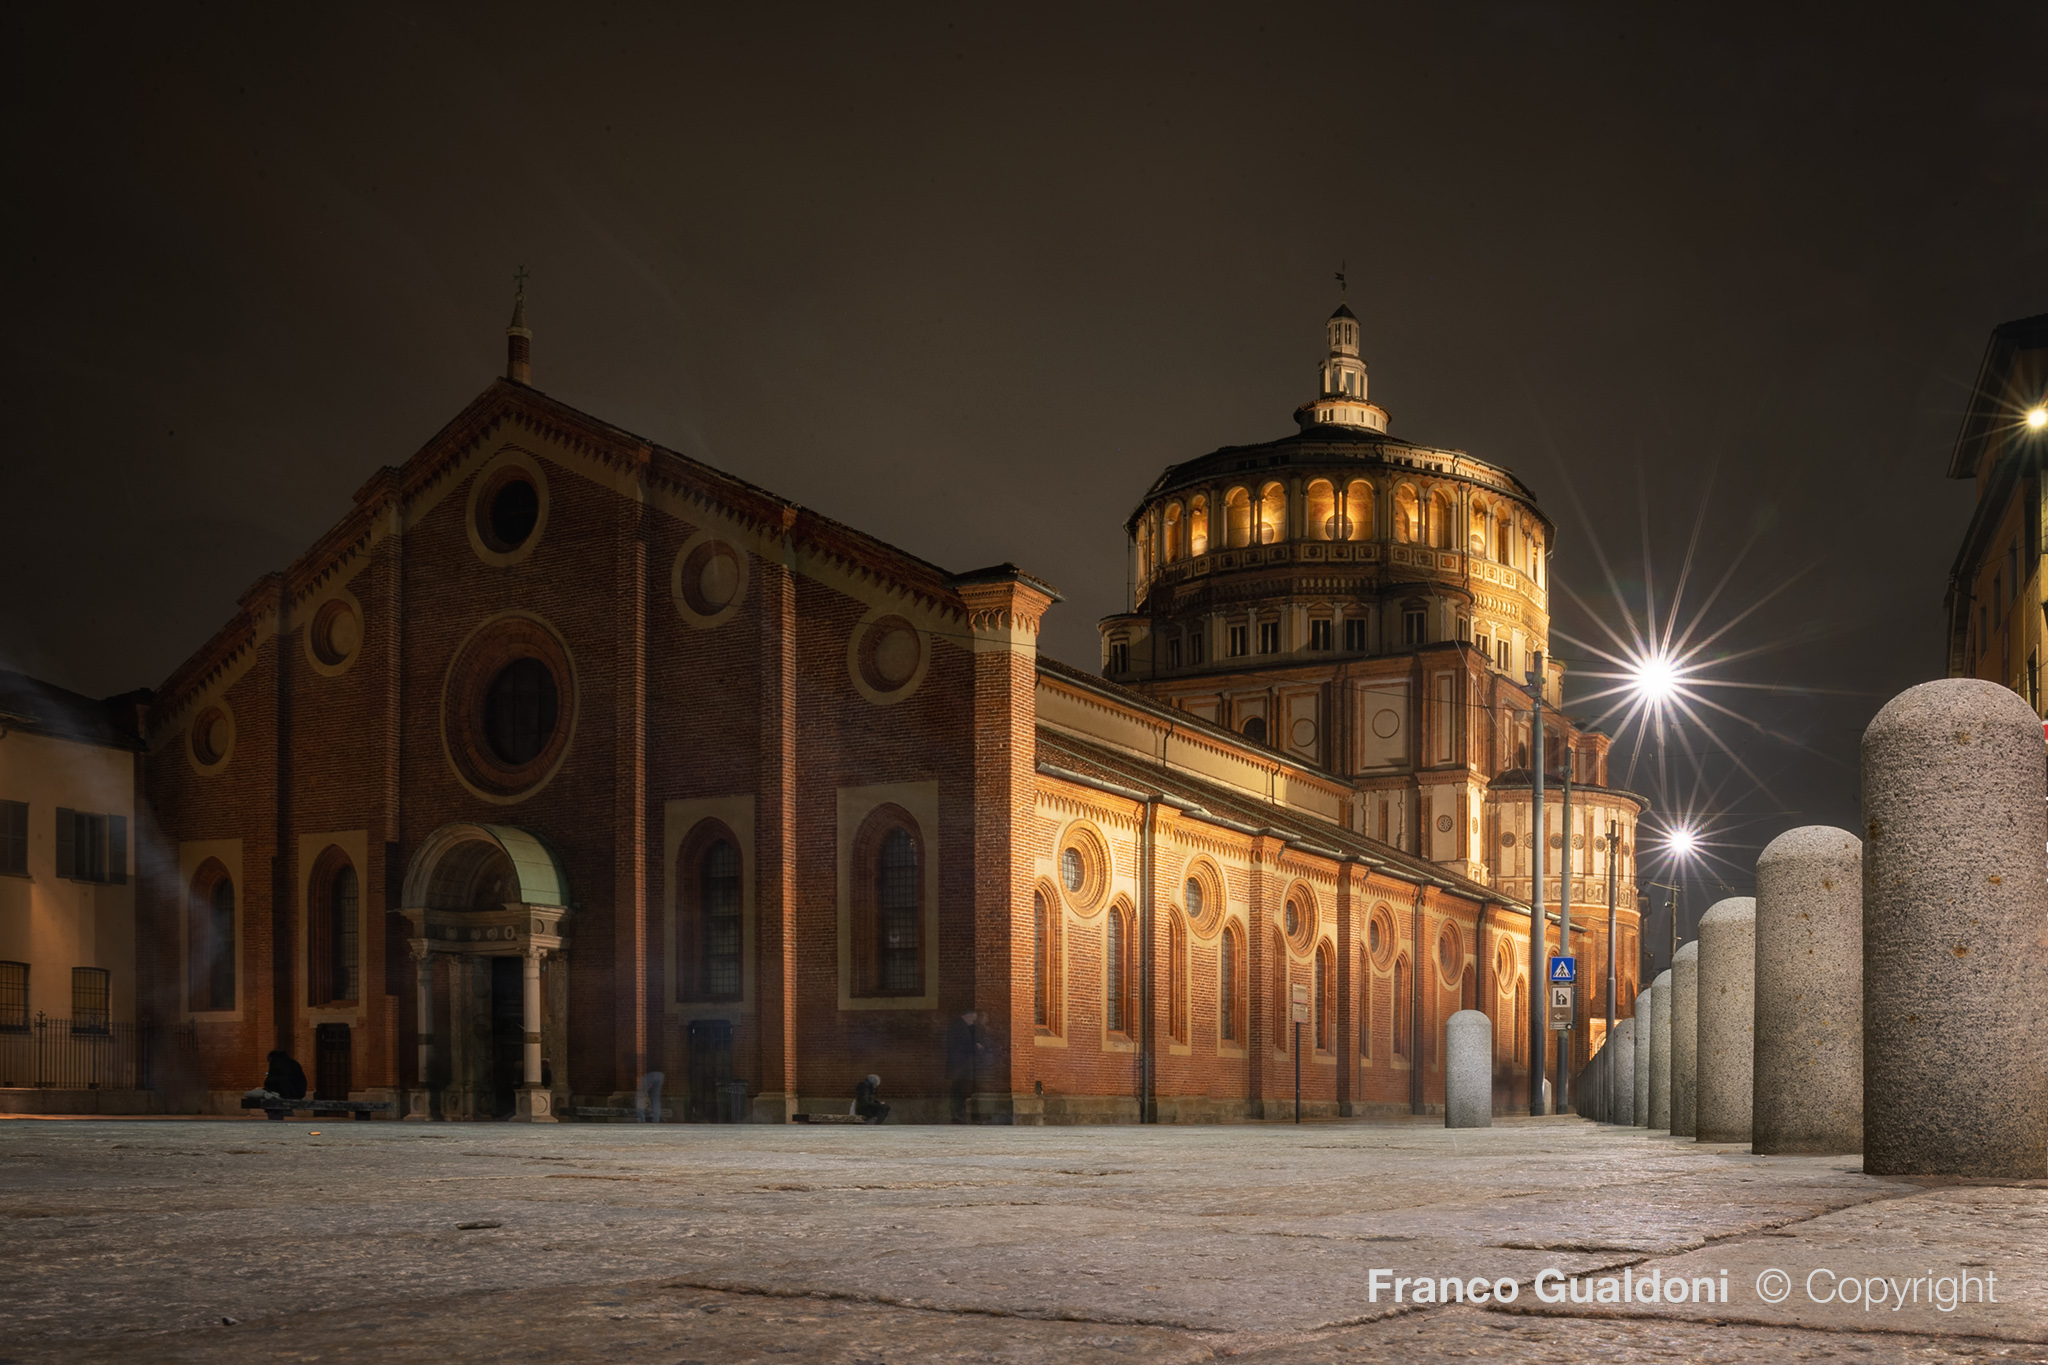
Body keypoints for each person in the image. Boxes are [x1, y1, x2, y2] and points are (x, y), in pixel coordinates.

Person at [944, 1011, 986, 1123]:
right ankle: (958, 1116)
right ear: (967, 1015)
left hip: (960, 1067)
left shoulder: (960, 1026)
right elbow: (961, 1045)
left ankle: (958, 1115)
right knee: (959, 1092)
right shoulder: (959, 1027)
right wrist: (975, 1046)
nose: (973, 1022)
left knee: (959, 1092)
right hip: (960, 1068)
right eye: (972, 1019)